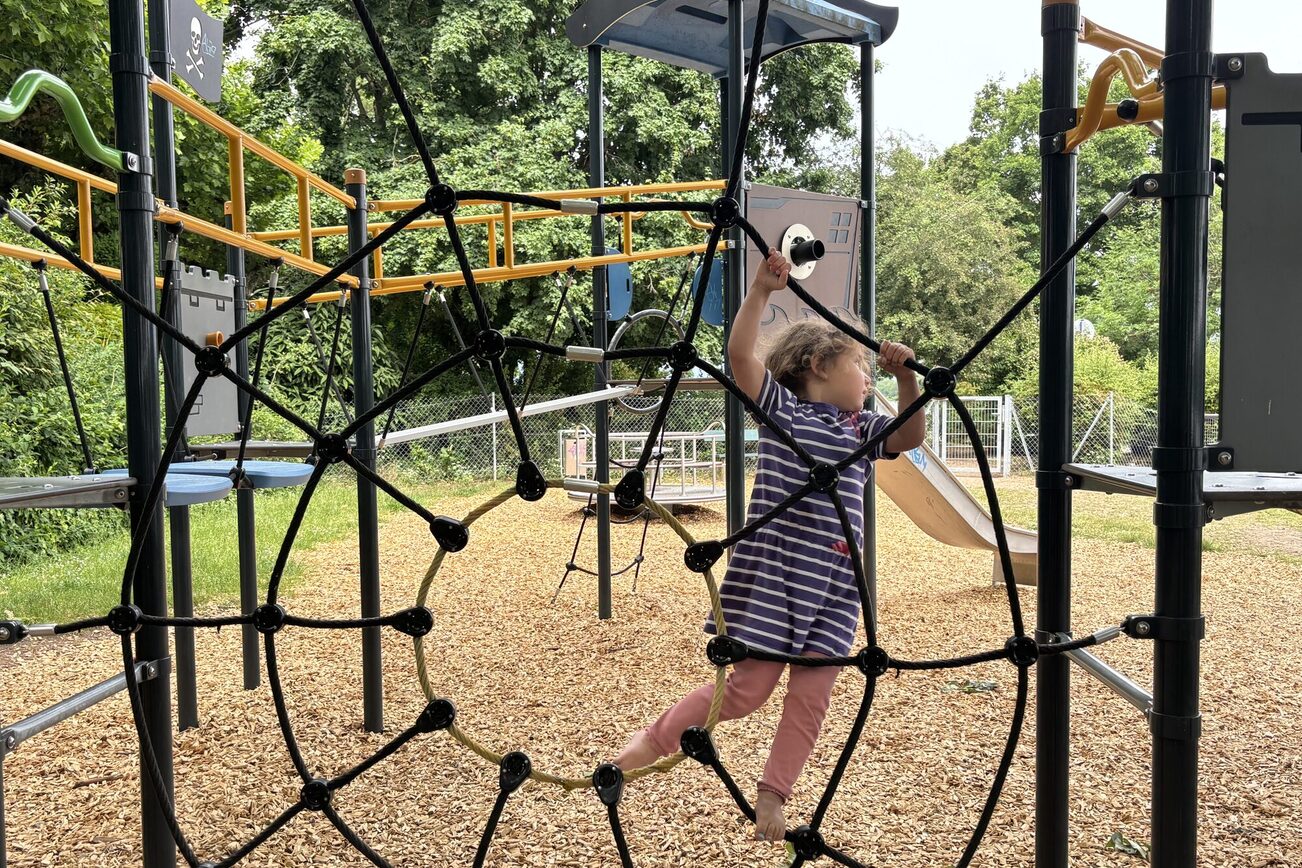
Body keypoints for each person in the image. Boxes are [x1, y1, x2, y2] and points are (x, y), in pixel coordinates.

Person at [613, 247, 926, 843]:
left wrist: (905, 375)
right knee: (747, 691)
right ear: (817, 365)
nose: (867, 377)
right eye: (858, 365)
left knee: (812, 698)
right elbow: (738, 357)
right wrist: (759, 292)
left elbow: (910, 433)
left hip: (836, 589)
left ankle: (772, 794)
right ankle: (643, 750)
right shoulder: (783, 413)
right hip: (775, 579)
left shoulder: (863, 430)